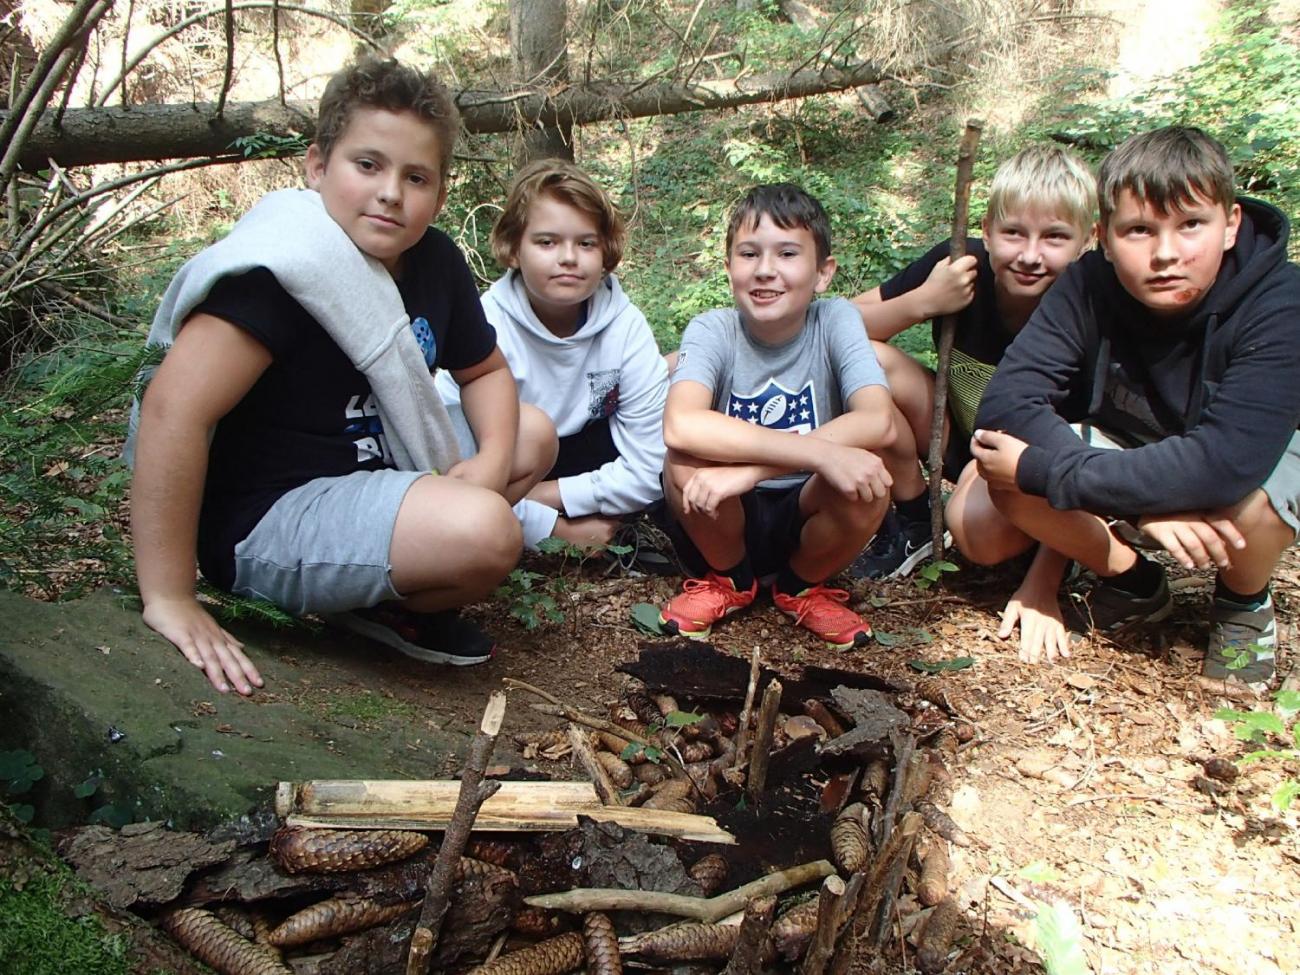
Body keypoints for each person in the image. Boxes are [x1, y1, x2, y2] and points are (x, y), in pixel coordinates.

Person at [129, 57, 556, 695]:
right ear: (317, 166)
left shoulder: (434, 260)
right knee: (486, 533)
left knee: (534, 436)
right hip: (270, 515)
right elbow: (174, 411)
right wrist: (169, 595)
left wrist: (493, 462)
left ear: (440, 196)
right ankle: (394, 588)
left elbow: (487, 371)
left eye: (415, 177)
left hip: (374, 467)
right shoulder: (280, 272)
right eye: (368, 165)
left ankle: (382, 602)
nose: (390, 192)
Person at [973, 125, 1300, 689]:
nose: (1166, 254)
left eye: (1191, 224)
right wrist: (1146, 508)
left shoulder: (1279, 301)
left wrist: (1049, 470)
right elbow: (1004, 406)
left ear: (1230, 225)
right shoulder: (1086, 284)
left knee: (1249, 505)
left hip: (1248, 463)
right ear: (1103, 235)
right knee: (1004, 472)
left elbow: (1225, 463)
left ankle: (1243, 602)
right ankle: (1134, 581)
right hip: (1134, 447)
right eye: (1139, 231)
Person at [849, 146, 1096, 629]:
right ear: (986, 230)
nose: (1029, 254)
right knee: (871, 360)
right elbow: (840, 325)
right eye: (1013, 233)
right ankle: (916, 515)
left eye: (1054, 238)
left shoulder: (1092, 304)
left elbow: (1087, 448)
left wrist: (1044, 581)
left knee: (977, 537)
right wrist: (922, 302)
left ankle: (1061, 546)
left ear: (1088, 240)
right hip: (958, 439)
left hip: (1032, 470)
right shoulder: (960, 263)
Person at [657, 183, 895, 648]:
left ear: (823, 272)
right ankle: (728, 580)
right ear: (729, 269)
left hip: (808, 504)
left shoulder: (836, 320)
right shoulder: (713, 329)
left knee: (868, 477)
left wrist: (753, 471)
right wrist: (813, 455)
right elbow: (681, 423)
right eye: (749, 254)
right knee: (682, 459)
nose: (766, 271)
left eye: (787, 254)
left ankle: (801, 586)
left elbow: (877, 419)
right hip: (720, 513)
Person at [436, 159, 668, 551]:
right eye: (547, 242)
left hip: (586, 461)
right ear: (513, 249)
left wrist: (542, 496)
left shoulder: (624, 326)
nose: (568, 258)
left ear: (605, 252)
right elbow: (450, 476)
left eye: (586, 243)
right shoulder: (484, 326)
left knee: (678, 378)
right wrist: (551, 529)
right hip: (511, 464)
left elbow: (650, 469)